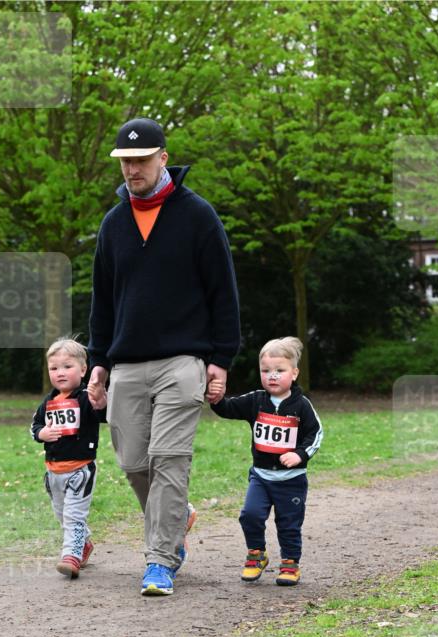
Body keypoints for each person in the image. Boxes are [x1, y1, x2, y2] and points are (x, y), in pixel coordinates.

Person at [87, 117, 240, 596]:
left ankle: (160, 560)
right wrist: (98, 362)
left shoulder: (197, 215)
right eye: (125, 162)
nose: (132, 169)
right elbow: (103, 301)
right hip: (128, 362)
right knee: (135, 461)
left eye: (140, 160)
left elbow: (223, 291)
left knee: (169, 459)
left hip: (183, 362)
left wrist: (221, 356)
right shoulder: (113, 225)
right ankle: (179, 518)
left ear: (163, 159)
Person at [210, 336, 323, 586]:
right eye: (266, 371)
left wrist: (300, 455)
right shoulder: (255, 400)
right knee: (249, 515)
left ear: (294, 373)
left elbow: (315, 434)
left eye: (279, 371)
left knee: (289, 524)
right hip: (261, 476)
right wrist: (217, 400)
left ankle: (290, 563)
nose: (272, 376)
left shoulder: (302, 406)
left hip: (291, 480)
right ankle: (256, 554)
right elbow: (228, 408)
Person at [30, 338, 107, 579]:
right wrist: (42, 433)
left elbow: (102, 413)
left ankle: (71, 556)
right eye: (54, 368)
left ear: (83, 370)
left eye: (67, 367)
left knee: (74, 515)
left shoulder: (86, 397)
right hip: (53, 472)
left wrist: (101, 399)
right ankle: (83, 543)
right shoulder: (49, 401)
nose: (60, 373)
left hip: (79, 469)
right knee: (62, 514)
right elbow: (35, 424)